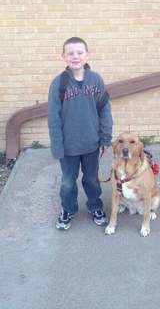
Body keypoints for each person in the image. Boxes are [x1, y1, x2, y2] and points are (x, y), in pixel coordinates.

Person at [48, 37, 113, 230]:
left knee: (91, 179)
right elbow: (53, 118)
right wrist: (57, 145)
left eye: (79, 53)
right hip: (68, 146)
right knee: (68, 181)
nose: (75, 57)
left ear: (87, 55)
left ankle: (95, 206)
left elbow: (105, 111)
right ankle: (68, 209)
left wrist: (105, 137)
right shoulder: (58, 84)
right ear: (63, 57)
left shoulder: (96, 80)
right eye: (70, 53)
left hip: (91, 144)